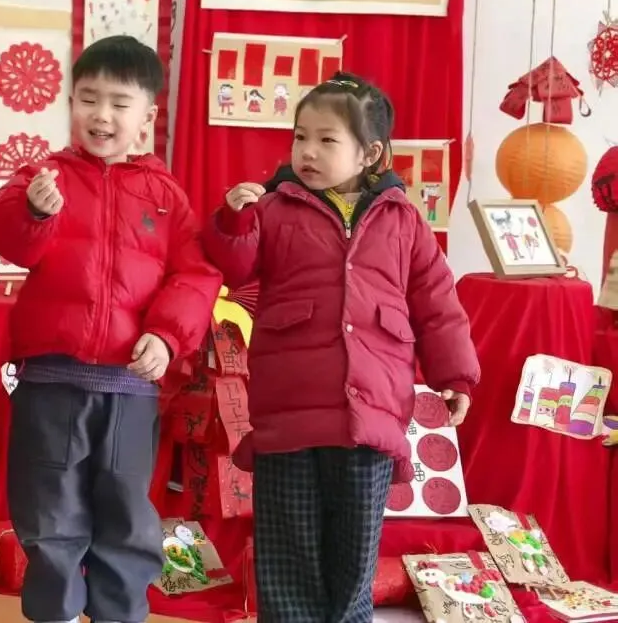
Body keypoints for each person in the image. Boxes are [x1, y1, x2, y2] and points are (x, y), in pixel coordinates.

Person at [202, 73, 480, 623]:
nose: (307, 151)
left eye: (326, 140)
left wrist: (455, 375)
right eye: (300, 137)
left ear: (369, 153)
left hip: (370, 415)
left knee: (354, 557)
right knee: (289, 554)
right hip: (289, 414)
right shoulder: (273, 209)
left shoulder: (403, 219)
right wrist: (233, 219)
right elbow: (233, 265)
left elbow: (437, 301)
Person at [0, 35, 222, 623]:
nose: (101, 115)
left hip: (130, 385)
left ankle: (120, 614)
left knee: (125, 513)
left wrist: (166, 335)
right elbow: (1, 231)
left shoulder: (166, 197)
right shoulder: (45, 177)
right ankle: (56, 613)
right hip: (50, 379)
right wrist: (34, 212)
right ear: (70, 103)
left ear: (147, 117)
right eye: (88, 99)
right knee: (49, 509)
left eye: (118, 102)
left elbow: (195, 274)